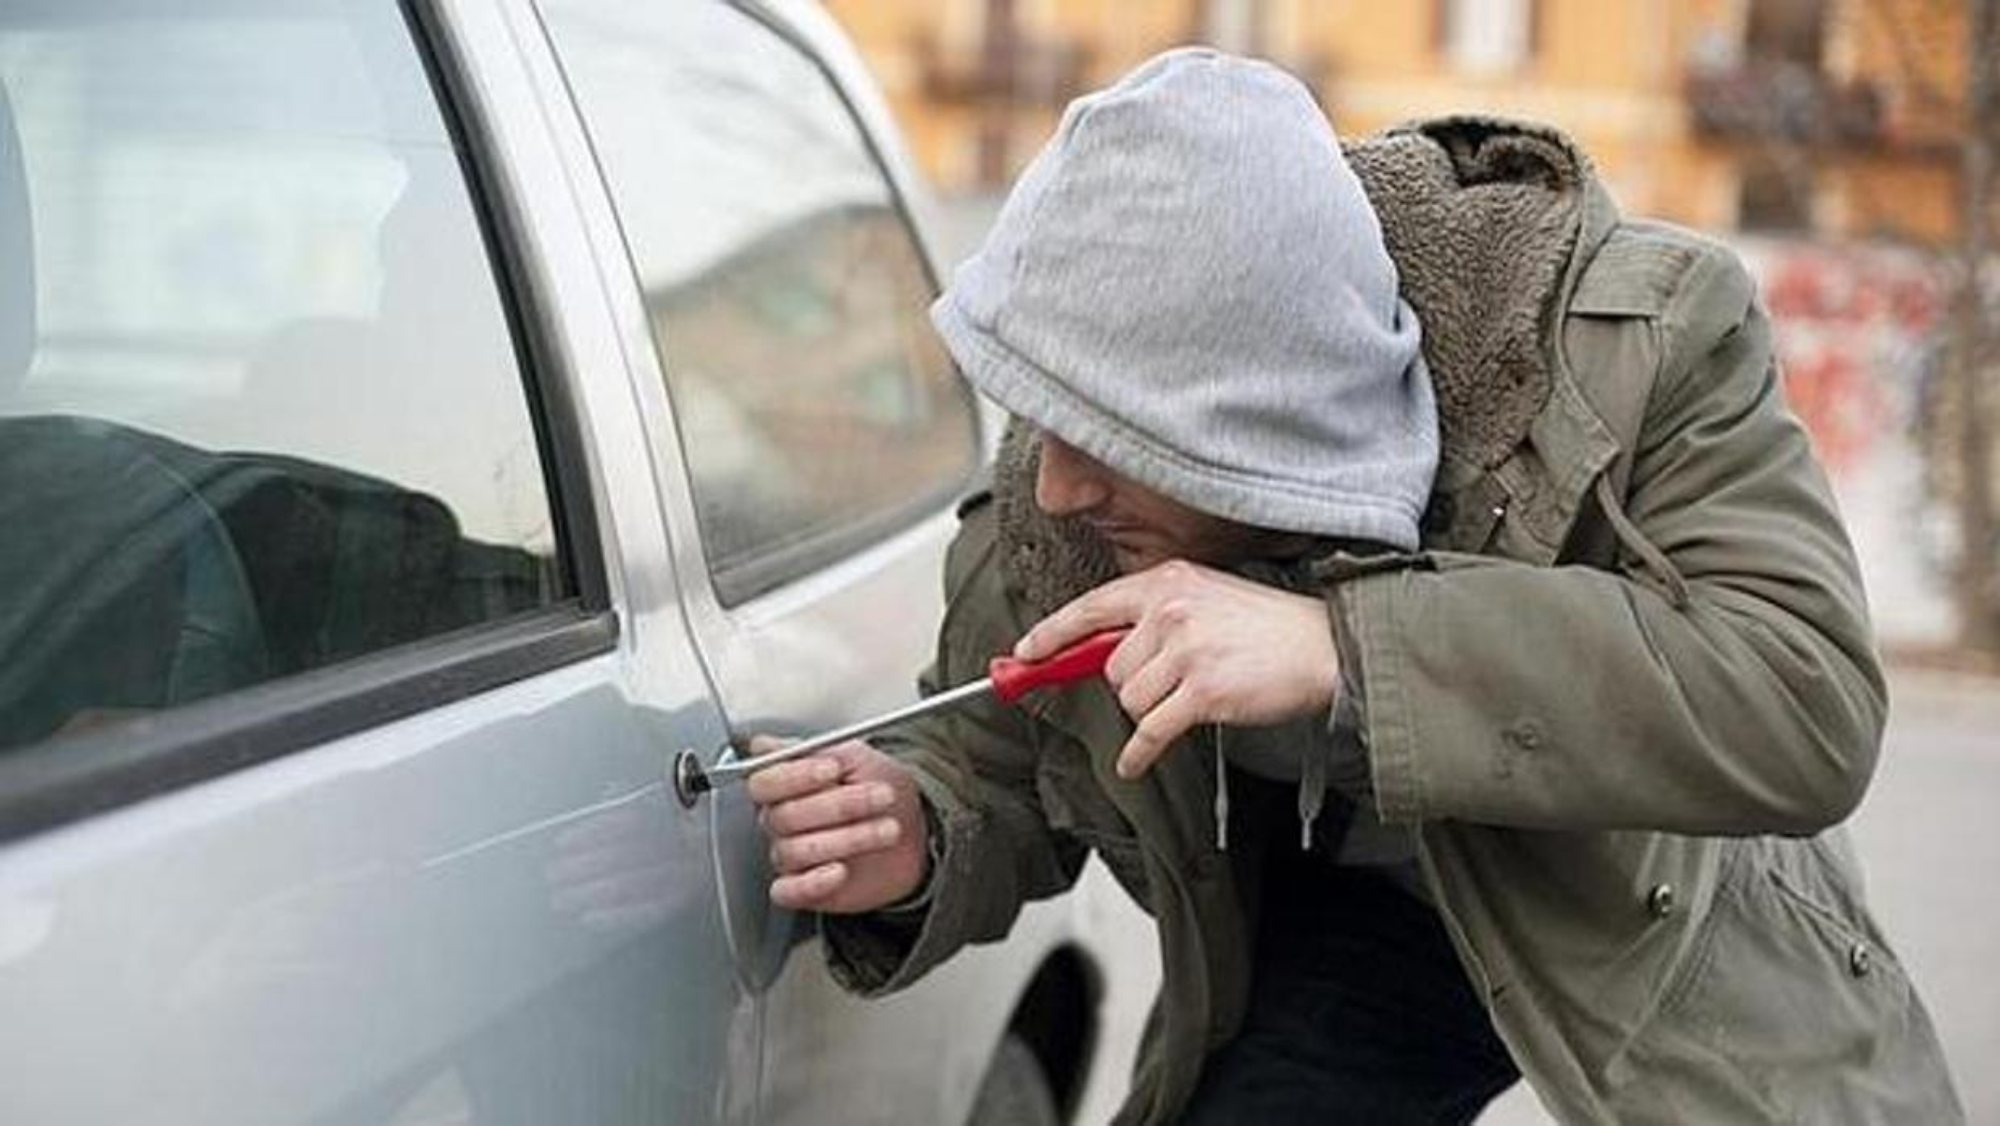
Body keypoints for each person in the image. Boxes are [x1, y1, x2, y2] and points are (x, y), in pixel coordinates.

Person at [746, 49, 1962, 1124]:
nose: (1055, 485)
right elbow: (1000, 759)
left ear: (1257, 419)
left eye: (1107, 439)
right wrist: (918, 834)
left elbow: (1799, 698)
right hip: (1363, 934)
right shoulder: (1062, 491)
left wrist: (1341, 647)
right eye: (1041, 418)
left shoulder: (1642, 342)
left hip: (1652, 907)